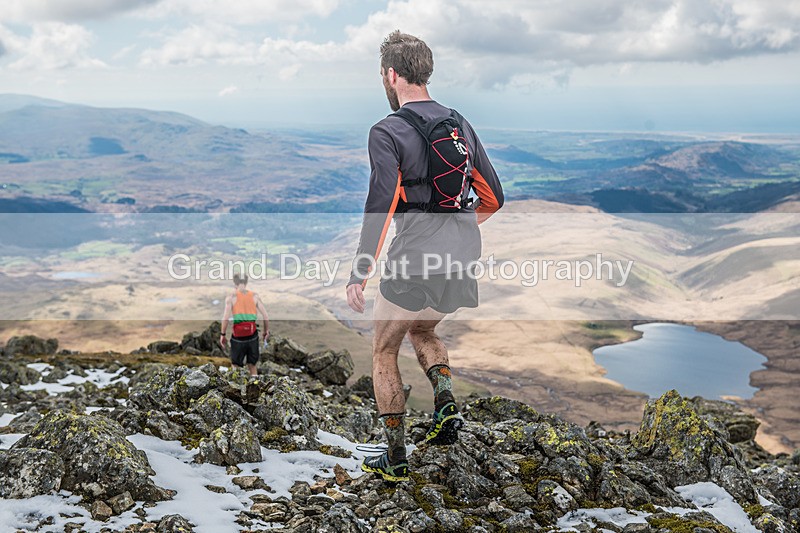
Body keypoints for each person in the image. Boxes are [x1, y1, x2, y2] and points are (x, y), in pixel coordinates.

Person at [346, 31, 503, 482]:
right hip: (462, 255)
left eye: (383, 74)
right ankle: (447, 407)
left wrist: (360, 272)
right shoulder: (459, 122)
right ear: (425, 71)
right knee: (424, 326)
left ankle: (394, 458)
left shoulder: (387, 130)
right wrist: (459, 228)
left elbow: (381, 205)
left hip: (414, 258)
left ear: (391, 75)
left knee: (383, 349)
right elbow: (493, 197)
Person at [220, 273, 269, 376]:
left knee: (235, 365)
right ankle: (255, 386)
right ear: (246, 282)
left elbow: (225, 318)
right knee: (252, 365)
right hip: (252, 336)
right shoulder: (255, 296)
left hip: (238, 337)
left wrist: (223, 335)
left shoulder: (231, 297)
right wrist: (265, 332)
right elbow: (265, 316)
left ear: (235, 282)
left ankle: (235, 388)